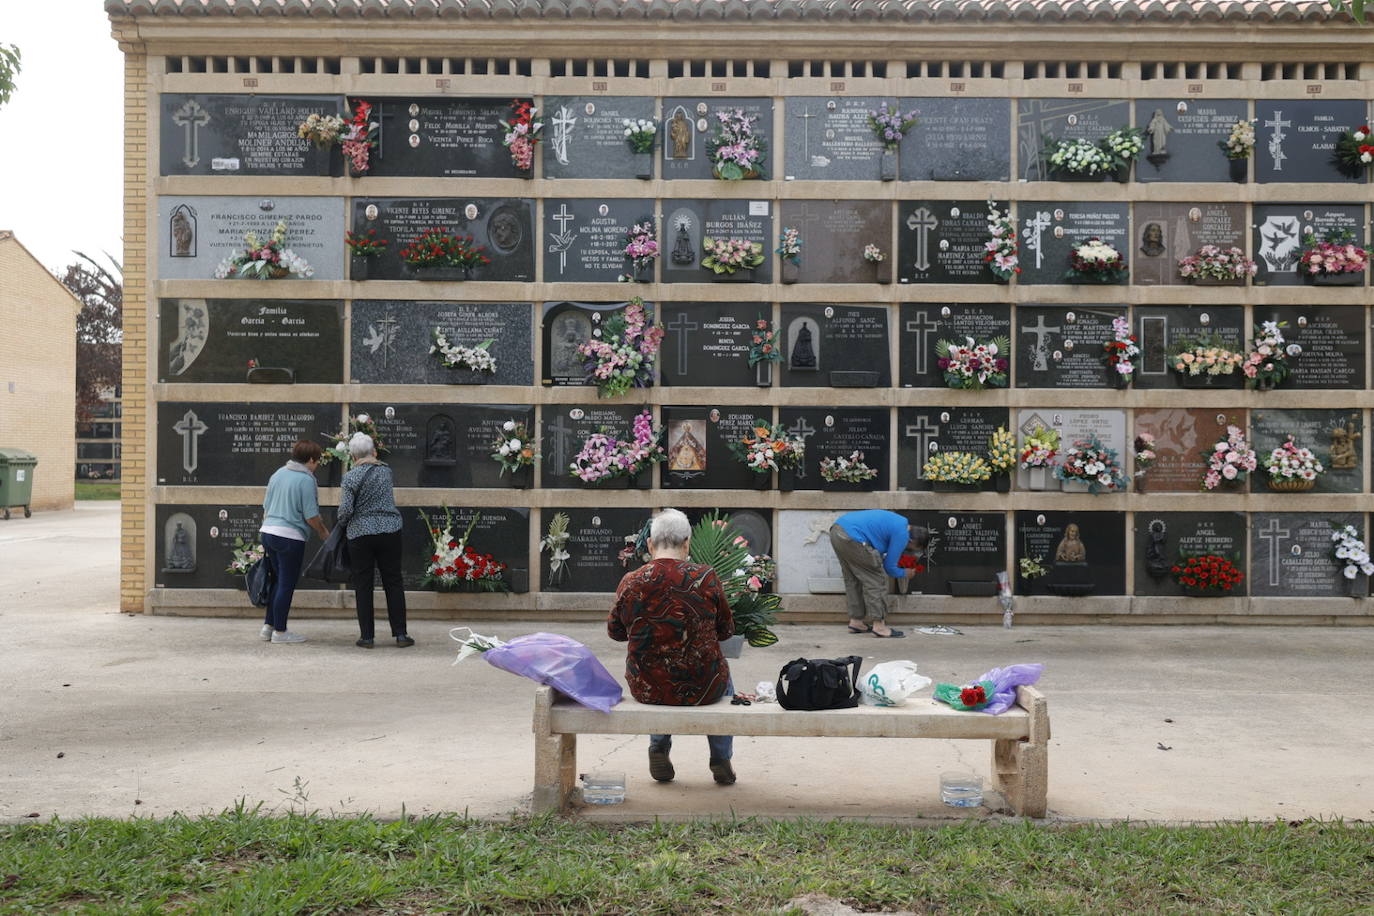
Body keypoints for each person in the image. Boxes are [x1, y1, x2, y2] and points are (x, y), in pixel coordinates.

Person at [608, 508, 737, 786]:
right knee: (723, 678)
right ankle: (721, 757)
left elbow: (615, 632)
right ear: (687, 543)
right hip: (703, 685)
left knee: (656, 670)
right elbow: (726, 631)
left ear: (651, 544)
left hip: (648, 686)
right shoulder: (707, 577)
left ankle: (658, 747)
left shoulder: (632, 581)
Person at [336, 432, 412, 649]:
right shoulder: (386, 472)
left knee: (363, 584)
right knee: (393, 581)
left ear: (352, 456)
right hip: (390, 530)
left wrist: (341, 521)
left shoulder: (350, 477)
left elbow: (346, 510)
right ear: (373, 452)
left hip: (361, 534)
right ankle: (401, 634)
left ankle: (367, 637)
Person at [258, 440, 330, 644]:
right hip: (290, 536)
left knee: (276, 581)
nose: (317, 466)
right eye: (317, 461)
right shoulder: (306, 480)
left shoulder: (278, 473)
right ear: (310, 460)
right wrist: (324, 533)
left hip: (269, 532)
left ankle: (268, 627)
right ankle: (280, 632)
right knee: (286, 584)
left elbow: (266, 507)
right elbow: (311, 516)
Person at [828, 509, 927, 639]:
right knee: (876, 580)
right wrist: (905, 573)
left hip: (837, 530)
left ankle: (856, 622)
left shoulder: (898, 522)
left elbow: (877, 544)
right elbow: (889, 568)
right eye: (914, 550)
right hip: (853, 537)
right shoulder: (903, 535)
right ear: (912, 542)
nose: (908, 551)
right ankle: (879, 626)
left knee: (853, 579)